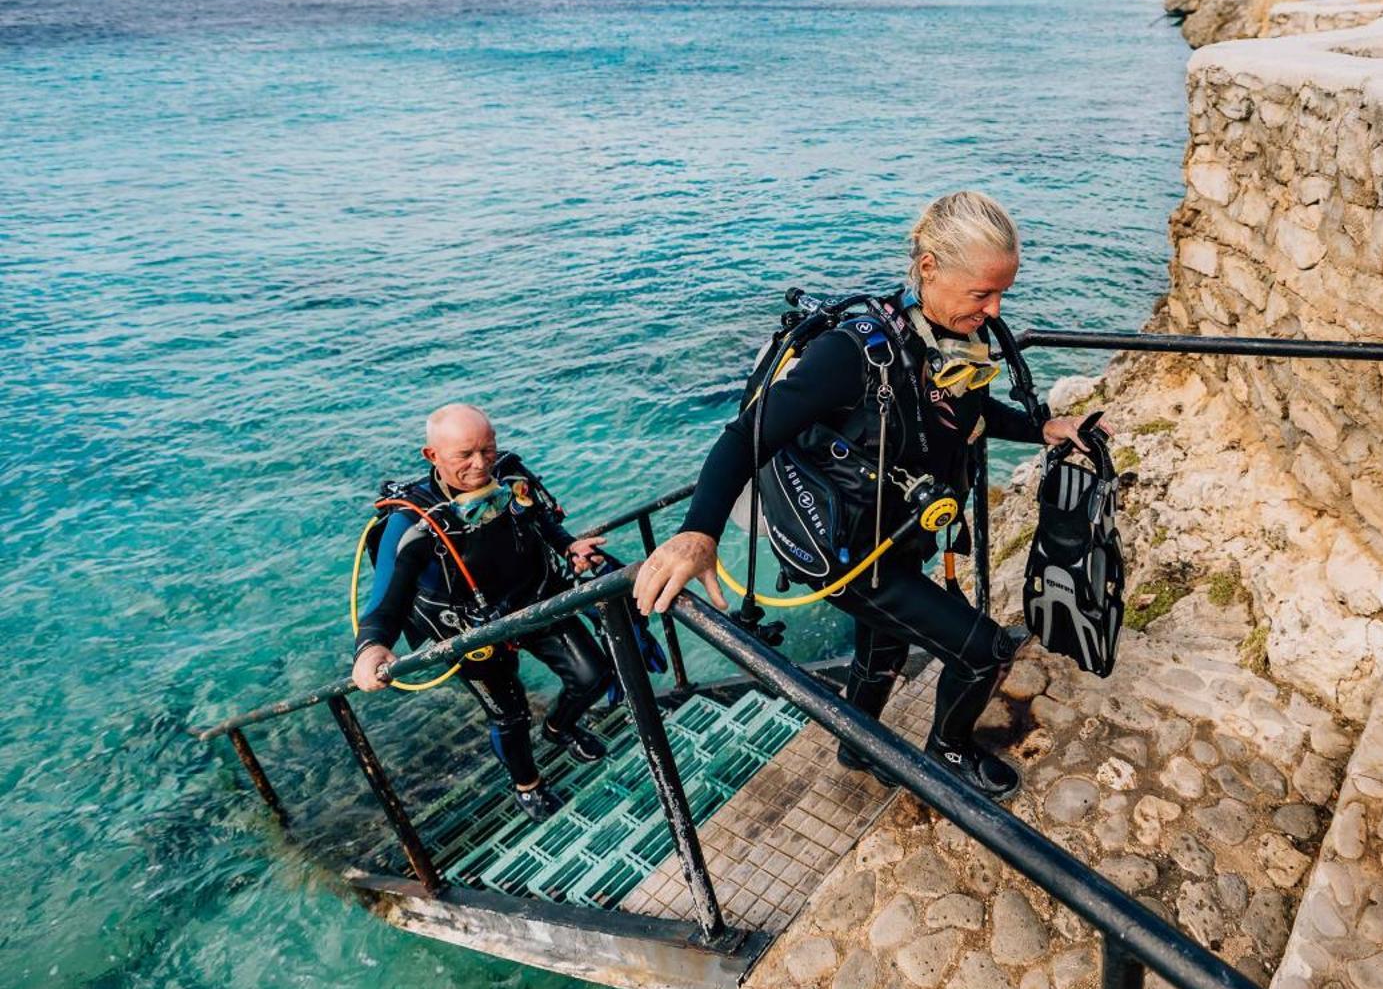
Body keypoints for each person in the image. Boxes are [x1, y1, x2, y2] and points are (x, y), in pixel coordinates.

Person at [633, 192, 1104, 801]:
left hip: (898, 534)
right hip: (850, 554)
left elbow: (966, 409)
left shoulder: (942, 335)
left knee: (885, 646)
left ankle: (856, 746)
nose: (994, 311)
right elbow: (744, 437)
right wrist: (699, 534)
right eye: (981, 294)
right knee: (985, 652)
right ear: (929, 267)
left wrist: (1038, 428)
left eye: (1002, 295)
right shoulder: (850, 355)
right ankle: (949, 752)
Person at [353, 403, 612, 821]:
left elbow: (540, 518)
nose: (481, 465)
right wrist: (370, 649)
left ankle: (559, 727)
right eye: (465, 455)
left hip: (536, 599)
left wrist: (569, 545)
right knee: (510, 715)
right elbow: (386, 600)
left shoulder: (511, 476)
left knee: (593, 675)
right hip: (471, 632)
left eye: (488, 450)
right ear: (432, 455)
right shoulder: (412, 523)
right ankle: (528, 787)